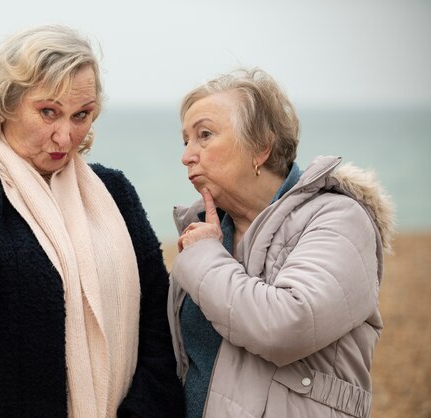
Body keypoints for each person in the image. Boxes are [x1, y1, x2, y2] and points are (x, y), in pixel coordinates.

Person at [0, 24, 184, 417]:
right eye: (48, 112)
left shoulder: (114, 192)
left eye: (81, 115)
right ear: (6, 102)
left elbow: (157, 325)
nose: (65, 137)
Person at [168, 68, 395, 418]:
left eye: (204, 135)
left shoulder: (338, 218)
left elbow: (287, 327)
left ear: (261, 147)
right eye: (186, 140)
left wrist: (205, 257)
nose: (187, 156)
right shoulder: (203, 231)